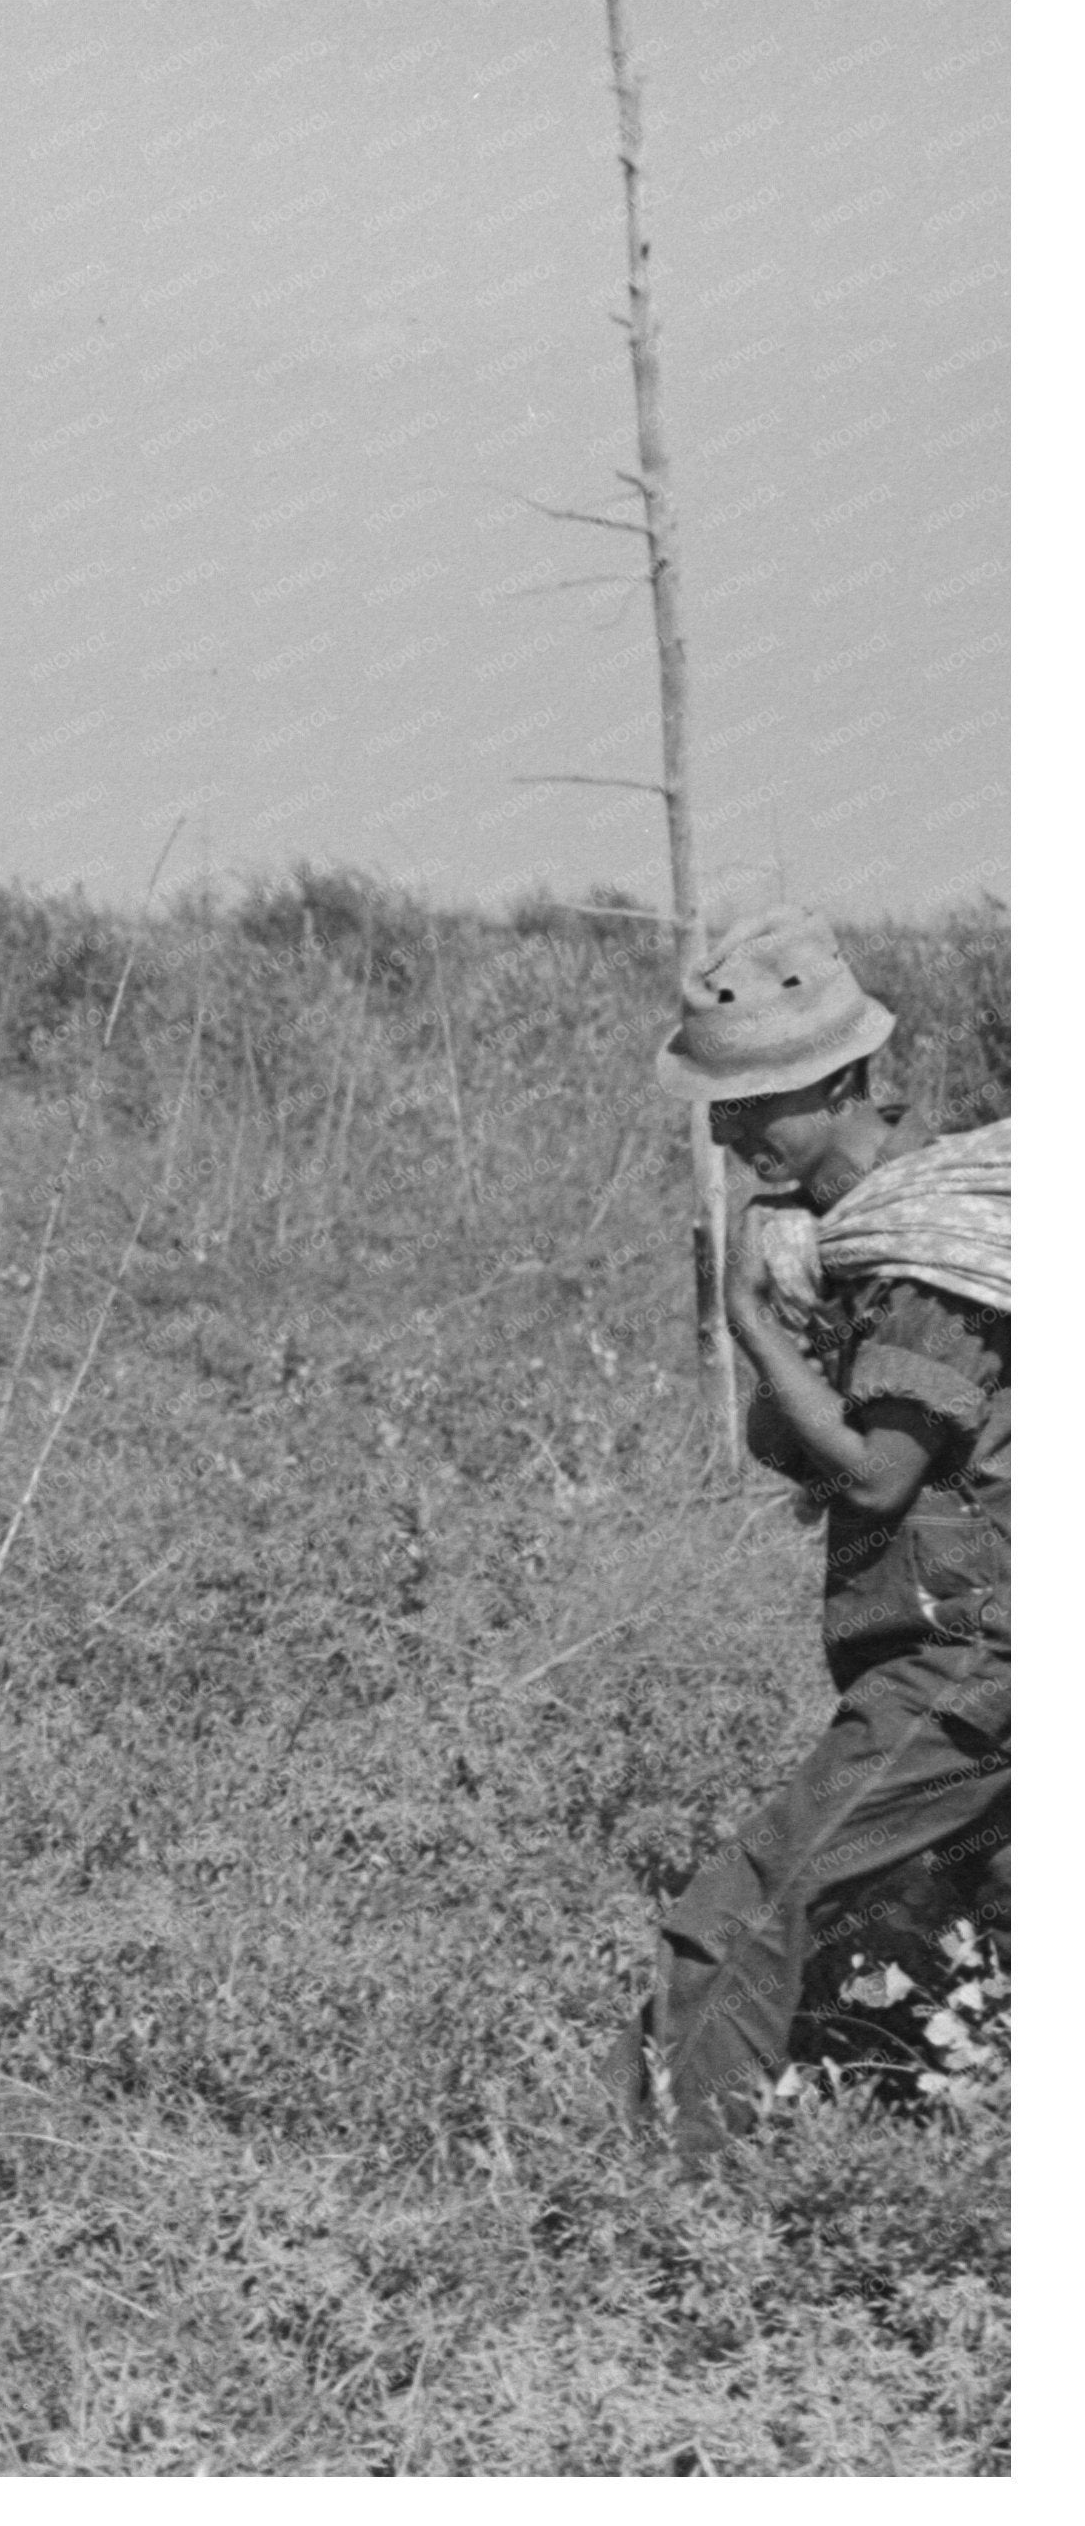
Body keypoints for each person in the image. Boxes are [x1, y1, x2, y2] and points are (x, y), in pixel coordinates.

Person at [623, 905, 1009, 2156]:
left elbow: (873, 1478)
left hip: (967, 1664)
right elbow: (787, 1441)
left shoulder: (935, 1250)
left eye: (753, 1102)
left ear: (842, 1082)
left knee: (739, 1912)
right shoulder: (852, 1248)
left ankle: (682, 2216)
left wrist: (747, 1319)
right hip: (944, 1649)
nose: (731, 1130)